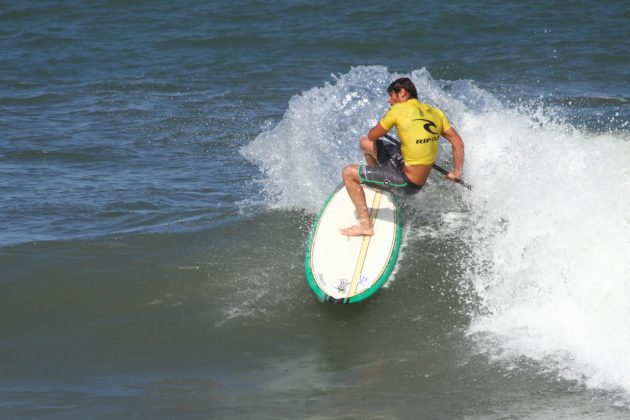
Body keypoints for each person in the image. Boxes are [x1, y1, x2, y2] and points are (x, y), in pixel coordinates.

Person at [340, 77, 465, 236]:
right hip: (408, 168)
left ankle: (366, 226)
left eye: (391, 96)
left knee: (348, 173)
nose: (389, 101)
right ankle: (376, 180)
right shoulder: (435, 112)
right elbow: (458, 143)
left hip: (407, 184)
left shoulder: (397, 110)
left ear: (402, 93)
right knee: (364, 144)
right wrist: (456, 173)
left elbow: (373, 134)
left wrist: (389, 118)